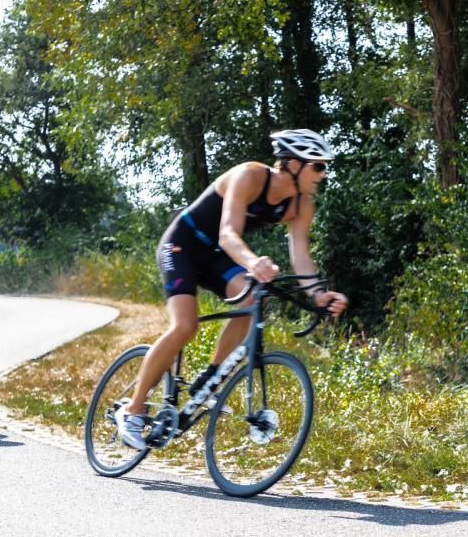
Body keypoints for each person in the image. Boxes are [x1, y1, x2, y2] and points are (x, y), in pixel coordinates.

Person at [116, 129, 349, 450]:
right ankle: (134, 410)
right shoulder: (250, 176)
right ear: (293, 164)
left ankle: (208, 380)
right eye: (318, 166)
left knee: (252, 297)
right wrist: (253, 262)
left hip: (216, 257)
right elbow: (228, 234)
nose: (323, 174)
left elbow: (301, 256)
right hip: (182, 245)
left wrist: (319, 294)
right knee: (185, 325)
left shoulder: (301, 204)